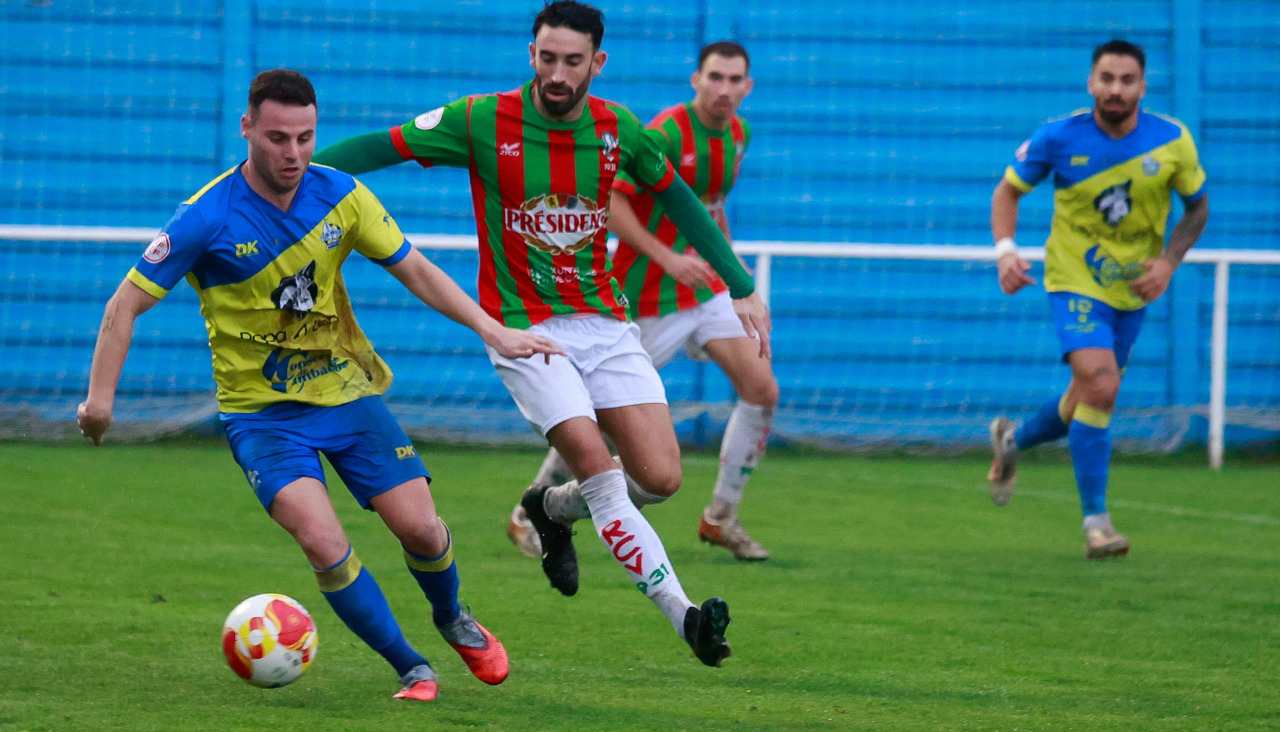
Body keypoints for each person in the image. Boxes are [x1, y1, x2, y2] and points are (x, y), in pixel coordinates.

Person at [76, 69, 564, 701]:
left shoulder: (341, 195)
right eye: (278, 138)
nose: (294, 153)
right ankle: (411, 667)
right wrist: (100, 402)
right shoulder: (205, 217)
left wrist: (493, 330)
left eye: (305, 138)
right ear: (247, 128)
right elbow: (123, 305)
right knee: (324, 542)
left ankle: (452, 616)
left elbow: (415, 269)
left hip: (346, 394)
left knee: (421, 529)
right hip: (262, 417)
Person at [312, 1, 771, 667]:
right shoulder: (481, 119)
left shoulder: (619, 129)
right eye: (547, 58)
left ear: (597, 63)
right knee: (600, 470)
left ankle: (551, 510)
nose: (558, 74)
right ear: (531, 54)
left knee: (661, 477)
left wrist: (739, 282)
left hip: (605, 323)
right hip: (524, 330)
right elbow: (380, 147)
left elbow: (677, 198)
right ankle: (686, 616)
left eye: (572, 62)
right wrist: (289, 183)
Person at [506, 40, 778, 562]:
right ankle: (530, 510)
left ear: (748, 86)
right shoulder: (666, 133)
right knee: (601, 418)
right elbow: (611, 201)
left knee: (762, 389)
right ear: (695, 79)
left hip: (705, 289)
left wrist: (733, 274)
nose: (724, 89)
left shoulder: (738, 135)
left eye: (734, 80)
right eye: (715, 77)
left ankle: (721, 516)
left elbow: (711, 209)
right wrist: (667, 257)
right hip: (647, 294)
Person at [987, 39, 1208, 559]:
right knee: (1102, 385)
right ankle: (1097, 525)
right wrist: (1005, 251)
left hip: (1132, 289)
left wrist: (1168, 263)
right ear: (1091, 82)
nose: (1115, 89)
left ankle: (1011, 441)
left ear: (1143, 87)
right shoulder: (1058, 137)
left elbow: (1197, 209)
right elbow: (1007, 192)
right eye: (1106, 78)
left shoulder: (1173, 140)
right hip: (1073, 279)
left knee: (1087, 397)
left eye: (1127, 80)